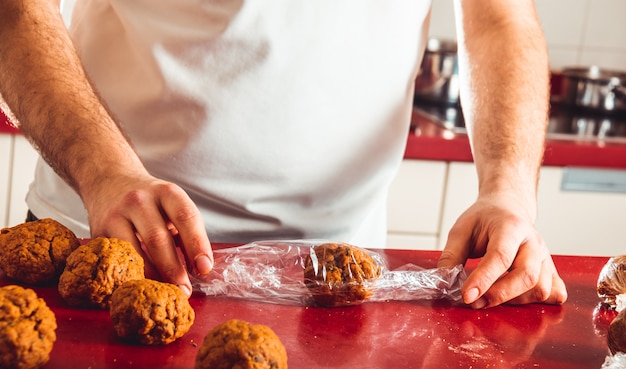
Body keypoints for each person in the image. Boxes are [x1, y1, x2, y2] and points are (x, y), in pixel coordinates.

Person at [0, 0, 567, 308]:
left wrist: (507, 190)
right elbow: (19, 10)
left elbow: (500, 17)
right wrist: (104, 173)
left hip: (339, 280)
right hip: (104, 238)